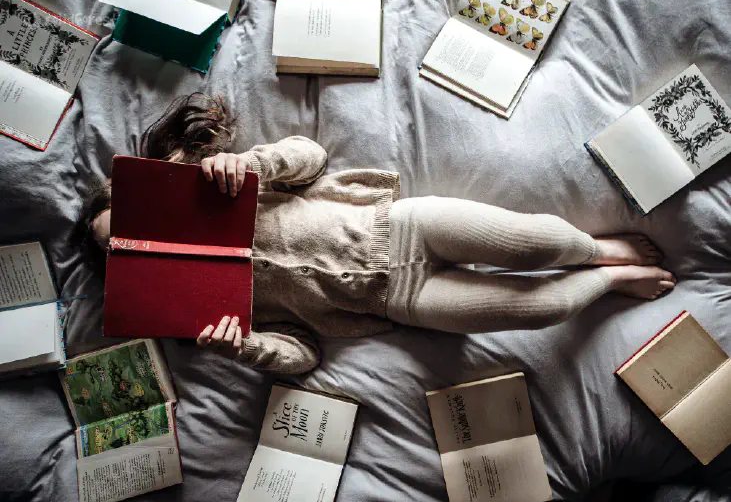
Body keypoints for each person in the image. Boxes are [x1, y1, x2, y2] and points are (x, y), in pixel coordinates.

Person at [78, 93, 676, 375]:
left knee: (536, 243)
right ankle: (609, 282)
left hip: (399, 228)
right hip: (397, 301)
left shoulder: (223, 188)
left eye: (135, 223)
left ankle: (595, 251)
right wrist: (247, 347)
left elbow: (309, 156)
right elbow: (303, 357)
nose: (141, 243)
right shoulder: (208, 314)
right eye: (121, 249)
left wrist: (253, 165)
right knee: (536, 310)